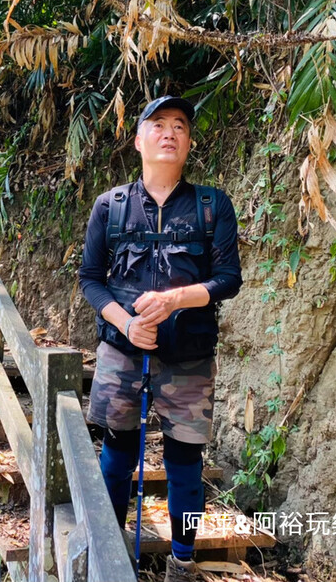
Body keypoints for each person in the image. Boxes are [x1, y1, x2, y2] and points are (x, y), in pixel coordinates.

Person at [78, 96, 242, 581]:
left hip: (189, 356)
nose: (169, 133)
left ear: (189, 143)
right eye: (158, 124)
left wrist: (174, 301)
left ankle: (182, 563)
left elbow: (228, 279)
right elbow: (90, 278)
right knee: (117, 448)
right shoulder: (110, 207)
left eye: (180, 126)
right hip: (121, 352)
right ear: (139, 139)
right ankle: (106, 548)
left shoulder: (213, 206)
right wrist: (126, 322)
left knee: (186, 461)